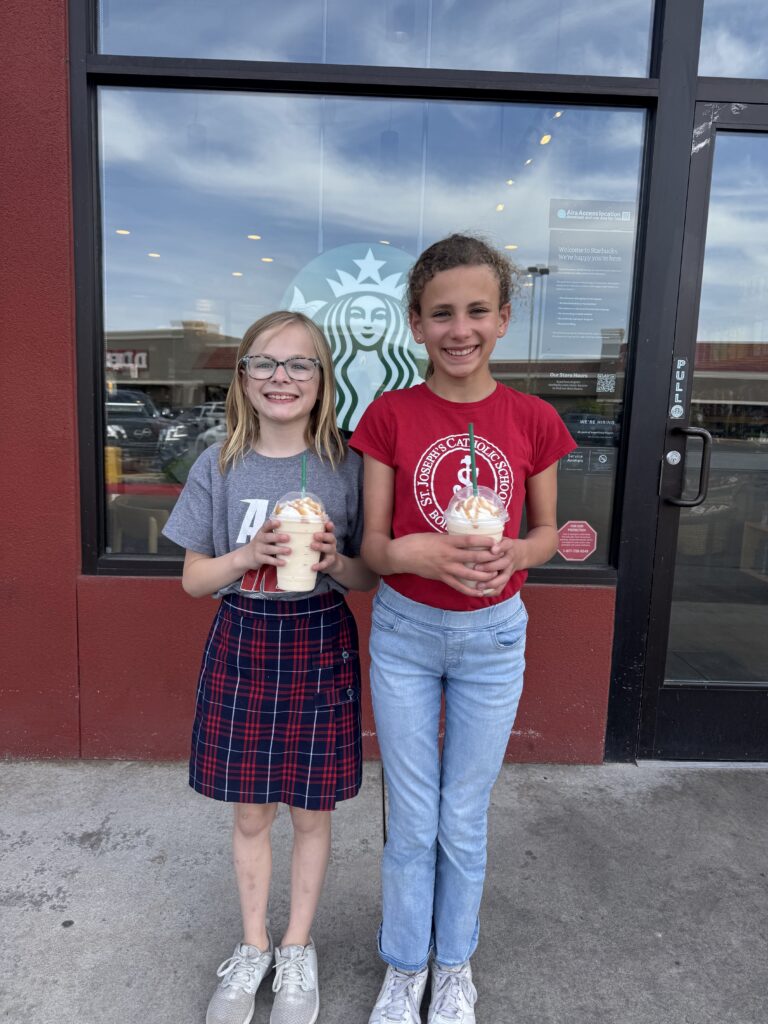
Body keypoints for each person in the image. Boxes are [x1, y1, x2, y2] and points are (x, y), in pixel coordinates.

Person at [350, 235, 576, 1024]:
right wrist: (412, 551)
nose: (460, 329)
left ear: (503, 319)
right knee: (413, 817)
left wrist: (518, 552)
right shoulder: (388, 416)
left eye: (477, 311)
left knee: (463, 816)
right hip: (406, 634)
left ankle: (453, 963)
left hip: (493, 637)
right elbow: (372, 547)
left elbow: (546, 534)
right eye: (441, 313)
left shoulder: (533, 419)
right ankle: (404, 963)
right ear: (416, 324)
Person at [163, 310, 377, 1024]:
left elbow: (367, 577)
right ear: (243, 376)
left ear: (322, 379)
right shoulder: (218, 463)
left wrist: (335, 561)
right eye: (265, 362)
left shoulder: (346, 466)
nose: (281, 377)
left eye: (299, 364)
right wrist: (247, 555)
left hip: (319, 641)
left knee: (311, 811)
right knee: (251, 810)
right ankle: (253, 943)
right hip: (244, 640)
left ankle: (296, 948)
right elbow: (194, 580)